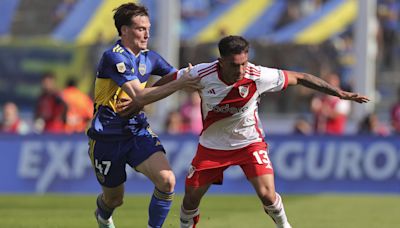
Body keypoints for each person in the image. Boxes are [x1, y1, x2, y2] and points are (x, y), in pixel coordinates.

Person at [172, 35, 369, 228]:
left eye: (244, 63)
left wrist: (340, 93)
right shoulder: (201, 74)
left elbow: (300, 77)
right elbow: (169, 79)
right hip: (212, 147)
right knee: (190, 199)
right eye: (234, 65)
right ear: (221, 61)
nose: (241, 70)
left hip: (249, 143)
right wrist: (142, 97)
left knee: (267, 194)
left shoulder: (257, 75)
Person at [86, 3, 201, 228]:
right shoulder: (114, 57)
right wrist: (180, 82)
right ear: (124, 31)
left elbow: (179, 78)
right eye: (140, 29)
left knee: (167, 181)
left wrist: (199, 76)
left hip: (137, 131)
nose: (147, 33)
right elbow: (139, 95)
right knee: (114, 199)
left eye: (148, 28)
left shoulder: (151, 58)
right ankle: (103, 214)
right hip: (107, 137)